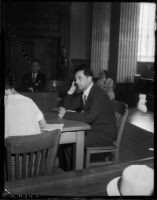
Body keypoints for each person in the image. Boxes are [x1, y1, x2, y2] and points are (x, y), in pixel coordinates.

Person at [58, 65, 117, 170]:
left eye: (79, 78)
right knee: (66, 142)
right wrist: (71, 92)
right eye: (76, 79)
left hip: (104, 134)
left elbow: (88, 118)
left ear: (89, 79)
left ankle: (73, 175)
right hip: (92, 129)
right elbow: (68, 107)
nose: (76, 81)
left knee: (69, 145)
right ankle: (67, 171)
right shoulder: (85, 93)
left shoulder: (99, 94)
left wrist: (64, 114)